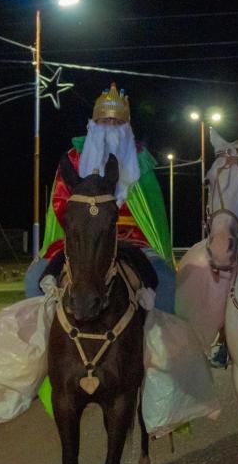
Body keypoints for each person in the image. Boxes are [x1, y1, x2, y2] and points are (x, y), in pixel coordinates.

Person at [24, 82, 174, 312]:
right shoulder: (74, 158)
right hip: (81, 240)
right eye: (105, 121)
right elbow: (61, 205)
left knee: (165, 279)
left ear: (127, 126)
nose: (110, 126)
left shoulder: (141, 162)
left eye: (117, 122)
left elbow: (153, 214)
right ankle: (42, 340)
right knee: (34, 277)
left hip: (133, 240)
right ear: (94, 124)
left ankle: (161, 342)